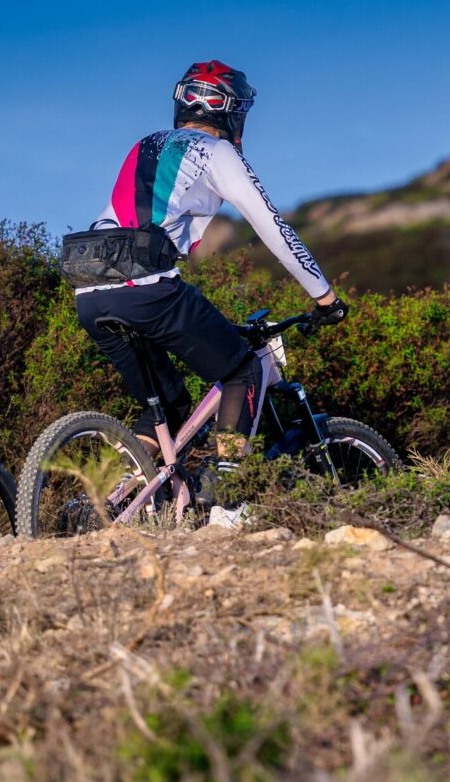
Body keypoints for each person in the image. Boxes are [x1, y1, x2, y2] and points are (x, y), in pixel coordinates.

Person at [61, 62, 337, 495]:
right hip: (147, 288)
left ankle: (106, 500)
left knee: (168, 407)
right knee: (242, 370)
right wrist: (325, 296)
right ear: (233, 115)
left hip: (90, 293)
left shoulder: (145, 144)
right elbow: (274, 229)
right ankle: (226, 495)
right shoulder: (219, 153)